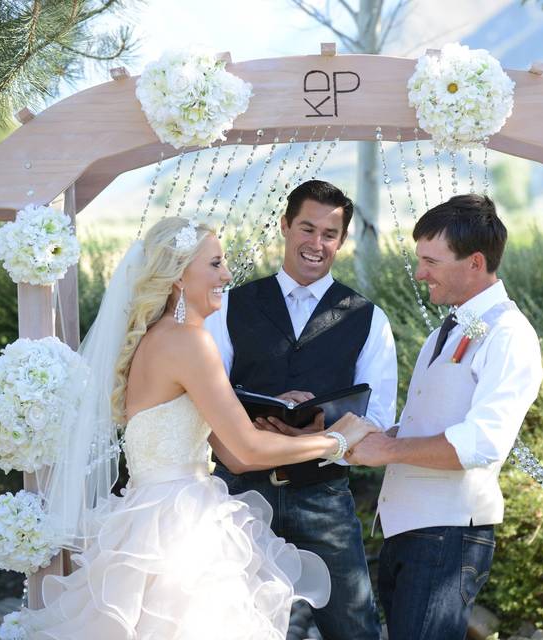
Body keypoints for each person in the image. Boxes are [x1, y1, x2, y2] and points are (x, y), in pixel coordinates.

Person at [22, 217, 378, 639]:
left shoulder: (157, 339)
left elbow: (229, 454)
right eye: (215, 264)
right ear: (177, 277)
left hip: (148, 517)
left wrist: (295, 435)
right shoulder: (190, 342)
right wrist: (337, 440)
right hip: (179, 529)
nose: (227, 275)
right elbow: (247, 450)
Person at [205, 179, 397, 640]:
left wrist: (318, 428)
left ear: (341, 240)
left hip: (323, 495)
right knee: (228, 624)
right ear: (286, 226)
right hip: (238, 493)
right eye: (306, 228)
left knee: (355, 628)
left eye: (329, 234)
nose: (316, 244)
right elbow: (205, 397)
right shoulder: (230, 304)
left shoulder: (367, 318)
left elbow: (381, 418)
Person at [347, 194, 543, 640]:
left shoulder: (510, 336)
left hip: (449, 535)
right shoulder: (444, 330)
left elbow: (483, 442)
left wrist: (389, 449)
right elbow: (430, 423)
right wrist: (363, 435)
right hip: (409, 530)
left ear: (475, 262)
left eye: (431, 261)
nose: (419, 273)